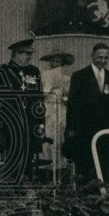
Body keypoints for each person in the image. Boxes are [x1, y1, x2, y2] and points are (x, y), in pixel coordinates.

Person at [64, 43, 109, 184]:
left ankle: (102, 195)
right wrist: (70, 129)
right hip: (84, 129)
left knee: (104, 165)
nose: (102, 60)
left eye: (106, 58)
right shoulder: (79, 76)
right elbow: (72, 105)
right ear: (92, 56)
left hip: (104, 129)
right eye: (99, 57)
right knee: (84, 165)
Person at [0, 39, 45, 182]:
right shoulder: (2, 70)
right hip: (13, 120)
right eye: (27, 53)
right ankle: (14, 187)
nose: (30, 56)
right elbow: (2, 96)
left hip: (30, 120)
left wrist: (40, 120)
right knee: (14, 154)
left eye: (31, 53)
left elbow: (39, 96)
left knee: (29, 155)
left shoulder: (34, 71)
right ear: (16, 54)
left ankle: (27, 183)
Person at [39, 47, 74, 179]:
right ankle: (47, 160)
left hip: (60, 107)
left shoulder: (66, 78)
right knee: (48, 133)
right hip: (48, 106)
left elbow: (68, 95)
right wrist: (49, 87)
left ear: (62, 62)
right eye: (53, 60)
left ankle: (60, 162)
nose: (55, 62)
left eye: (58, 60)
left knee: (60, 132)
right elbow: (42, 93)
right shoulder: (44, 75)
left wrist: (64, 97)